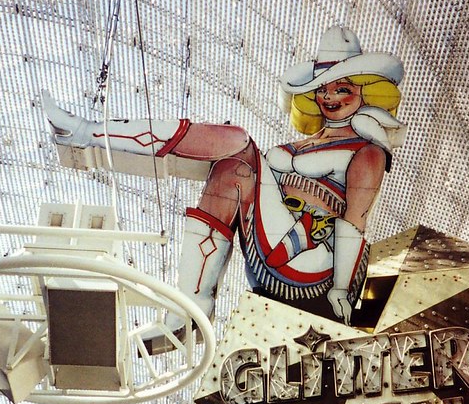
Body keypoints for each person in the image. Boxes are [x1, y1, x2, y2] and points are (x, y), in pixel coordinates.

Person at [43, 26, 405, 336]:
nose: (330, 97)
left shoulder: (367, 151)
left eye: (342, 89)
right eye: (323, 88)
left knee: (238, 143)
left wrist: (342, 290)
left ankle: (88, 132)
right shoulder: (291, 148)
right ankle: (188, 310)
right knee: (233, 165)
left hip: (313, 263)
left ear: (363, 91)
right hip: (273, 249)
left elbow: (354, 223)